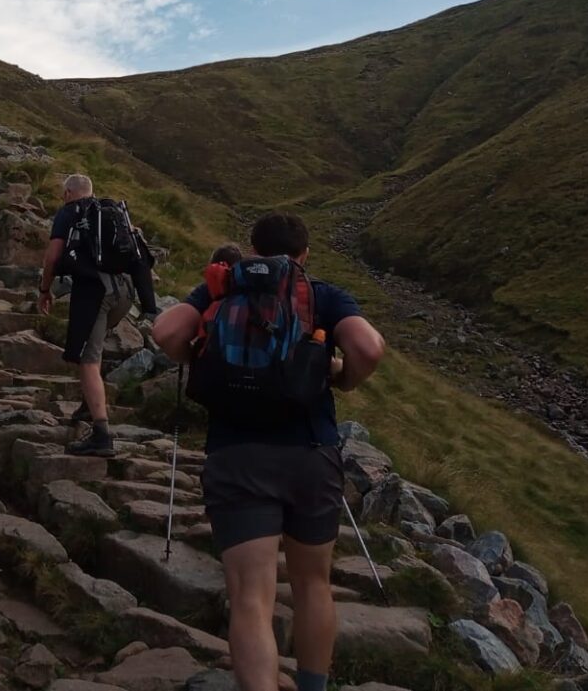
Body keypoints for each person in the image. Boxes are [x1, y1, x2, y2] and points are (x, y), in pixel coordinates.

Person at [151, 213, 387, 691]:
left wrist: (200, 360)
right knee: (312, 586)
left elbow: (167, 333)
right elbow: (368, 347)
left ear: (252, 249)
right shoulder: (321, 294)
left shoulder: (223, 290)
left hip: (237, 454)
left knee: (251, 598)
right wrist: (341, 377)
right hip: (310, 453)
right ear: (304, 254)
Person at [36, 174, 157, 457]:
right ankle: (89, 405)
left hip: (94, 293)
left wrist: (45, 290)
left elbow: (53, 256)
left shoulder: (69, 213)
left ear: (68, 193)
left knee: (88, 360)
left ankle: (101, 434)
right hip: (124, 293)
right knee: (95, 346)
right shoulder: (111, 210)